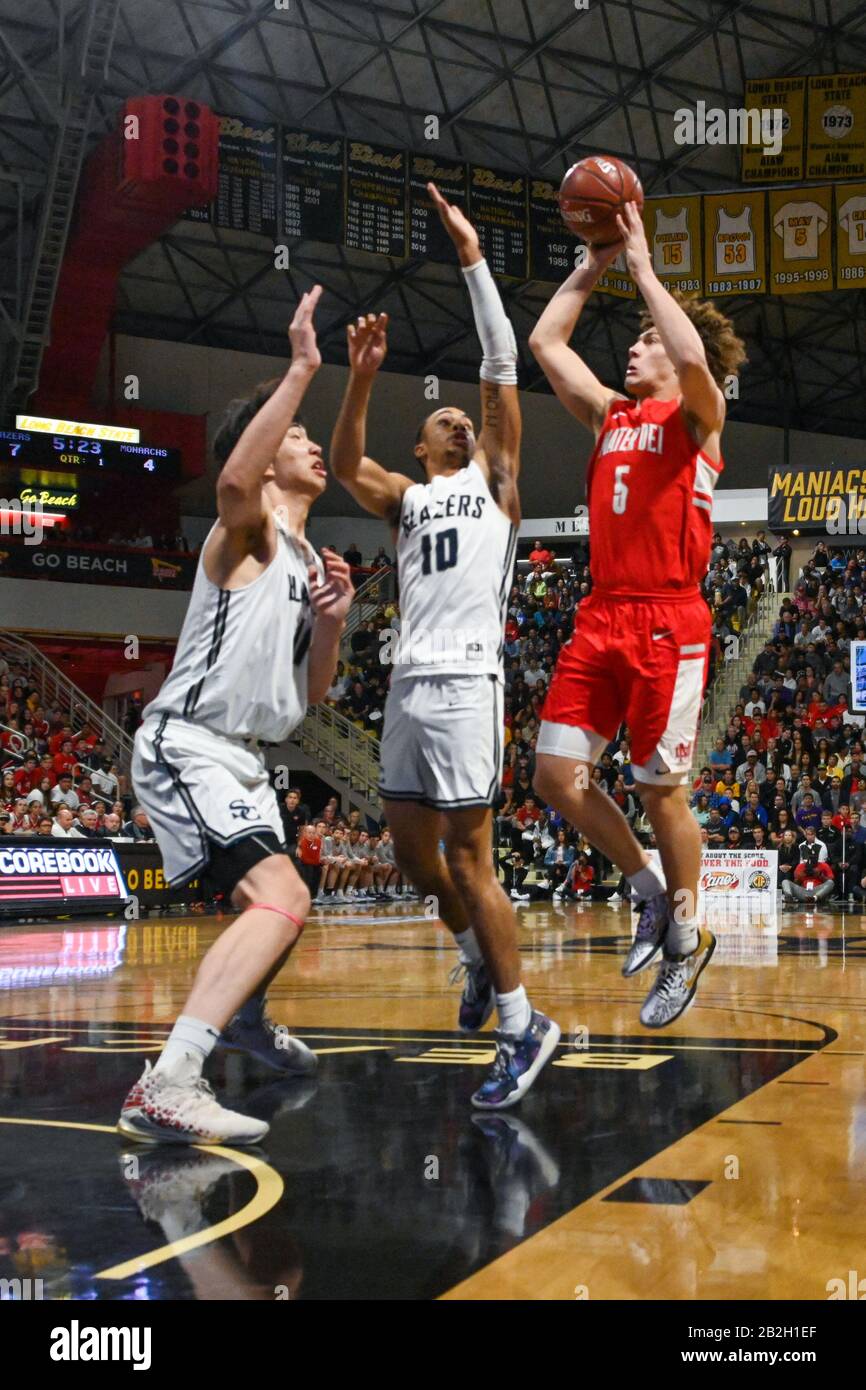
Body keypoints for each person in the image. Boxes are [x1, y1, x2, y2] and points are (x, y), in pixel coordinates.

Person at [330, 183, 559, 1109]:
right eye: (444, 423)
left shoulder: (498, 483)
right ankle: (474, 961)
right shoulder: (407, 496)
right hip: (405, 689)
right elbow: (346, 466)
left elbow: (500, 360)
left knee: (473, 862)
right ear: (420, 447)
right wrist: (359, 375)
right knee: (417, 862)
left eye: (465, 420)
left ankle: (522, 1025)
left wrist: (470, 256)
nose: (460, 422)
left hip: (469, 682)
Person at [117, 287, 353, 1146]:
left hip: (247, 756)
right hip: (190, 742)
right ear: (261, 457)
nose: (313, 442)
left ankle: (244, 1019)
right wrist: (298, 368)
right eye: (296, 434)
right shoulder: (246, 530)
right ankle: (169, 1080)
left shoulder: (304, 559)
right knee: (281, 896)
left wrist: (331, 622)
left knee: (293, 903)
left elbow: (314, 694)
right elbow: (227, 478)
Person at [529, 198, 746, 1028]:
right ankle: (648, 889)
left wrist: (648, 268)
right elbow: (546, 345)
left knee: (663, 795)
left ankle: (688, 943)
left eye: (646, 338)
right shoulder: (609, 415)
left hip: (669, 620)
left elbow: (692, 355)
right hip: (602, 616)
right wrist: (594, 262)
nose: (634, 344)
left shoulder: (699, 417)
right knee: (554, 777)